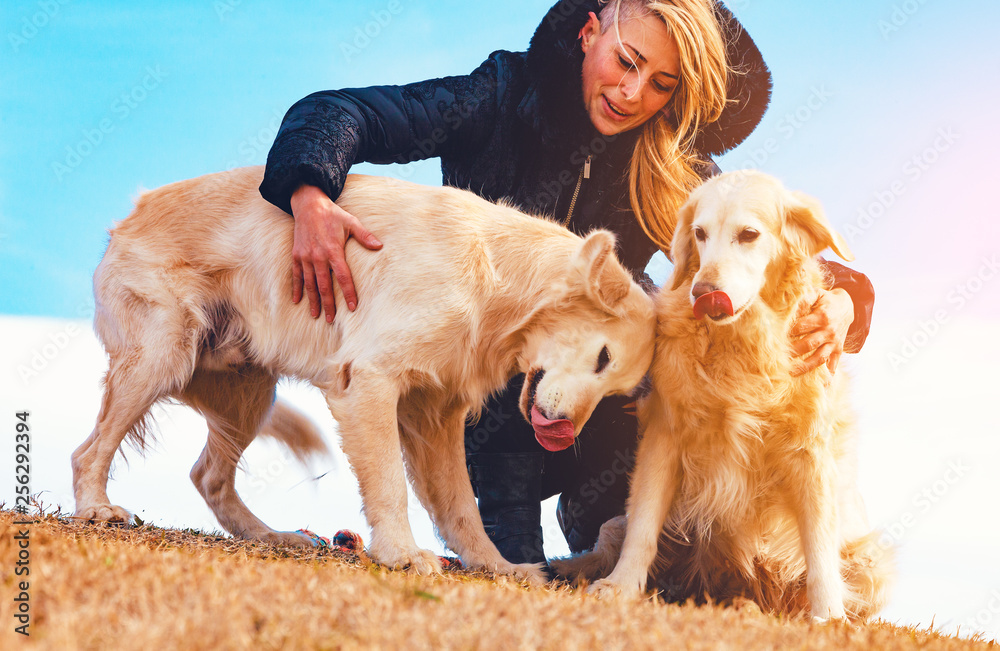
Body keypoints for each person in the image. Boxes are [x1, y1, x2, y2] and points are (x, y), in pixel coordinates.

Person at [260, 0, 875, 567]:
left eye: (661, 84)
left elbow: (760, 233)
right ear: (588, 34)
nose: (632, 94)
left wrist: (845, 300)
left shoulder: (667, 163)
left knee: (645, 563)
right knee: (503, 577)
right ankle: (468, 538)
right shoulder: (498, 95)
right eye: (626, 62)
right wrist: (309, 190)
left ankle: (620, 546)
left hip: (604, 418)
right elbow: (342, 112)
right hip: (478, 417)